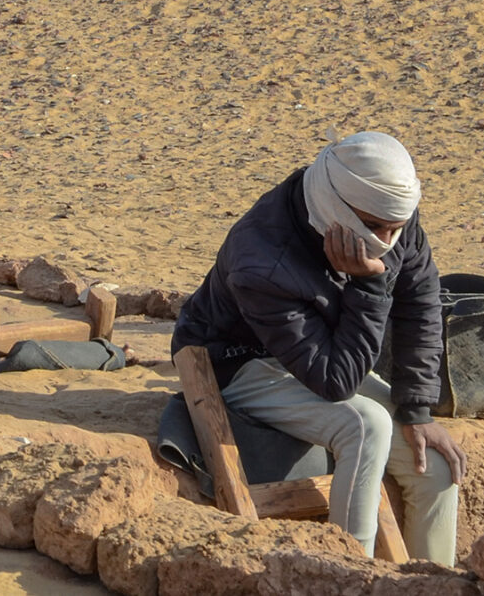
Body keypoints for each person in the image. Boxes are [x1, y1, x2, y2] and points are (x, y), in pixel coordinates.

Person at [170, 134, 465, 562]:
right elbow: (336, 382)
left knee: (435, 468)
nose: (386, 240)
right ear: (336, 209)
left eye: (395, 228)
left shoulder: (388, 210)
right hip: (239, 361)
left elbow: (420, 300)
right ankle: (351, 576)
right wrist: (369, 283)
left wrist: (417, 409)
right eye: (374, 227)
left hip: (330, 346)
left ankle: (432, 587)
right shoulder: (263, 261)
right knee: (366, 427)